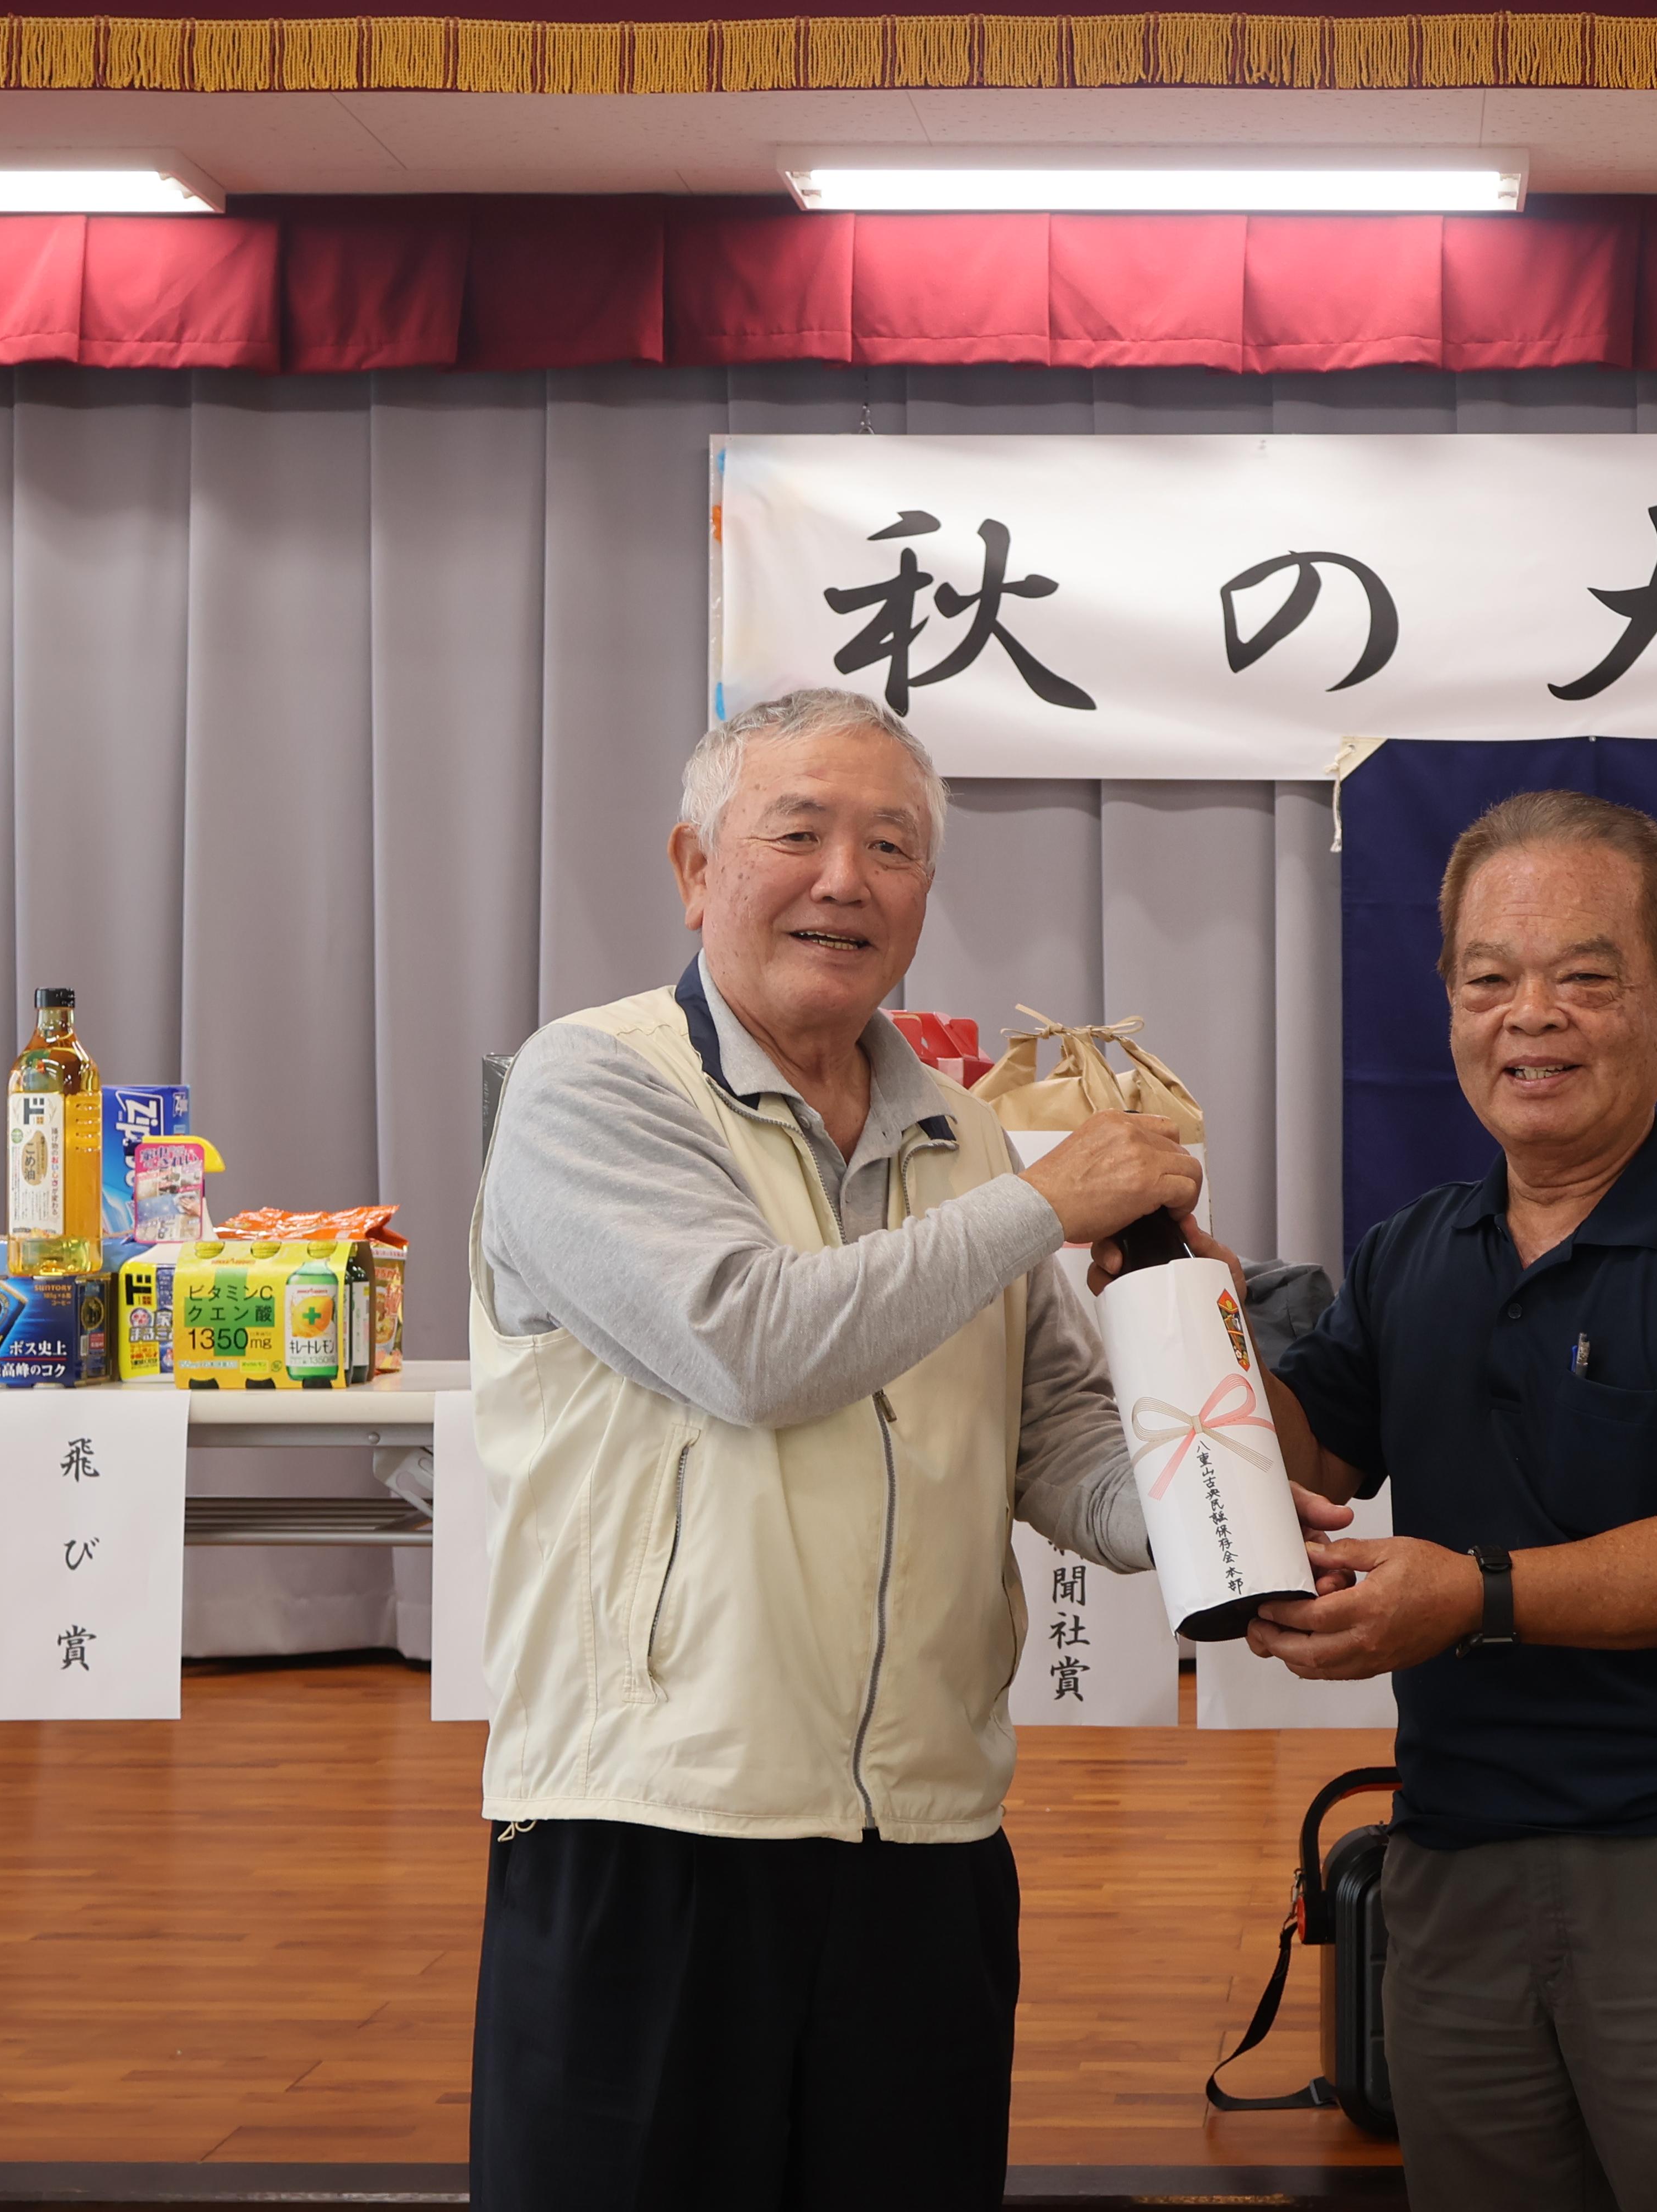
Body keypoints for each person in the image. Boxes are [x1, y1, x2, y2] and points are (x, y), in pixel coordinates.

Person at [463, 686, 1313, 2209]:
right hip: (656, 1821)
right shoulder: (593, 1084)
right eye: (798, 834)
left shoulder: (963, 1138)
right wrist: (1041, 1206)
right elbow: (752, 1344)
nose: (846, 880)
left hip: (927, 1832)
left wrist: (1227, 1517)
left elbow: (1054, 1439)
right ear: (696, 869)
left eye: (894, 847)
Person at [1203, 788, 1657, 2212]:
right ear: (1450, 1002)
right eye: (1489, 979)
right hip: (1455, 1866)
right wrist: (1189, 1312)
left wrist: (1471, 1596)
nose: (1531, 1017)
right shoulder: (1410, 1253)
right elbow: (1309, 1464)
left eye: (1584, 976)